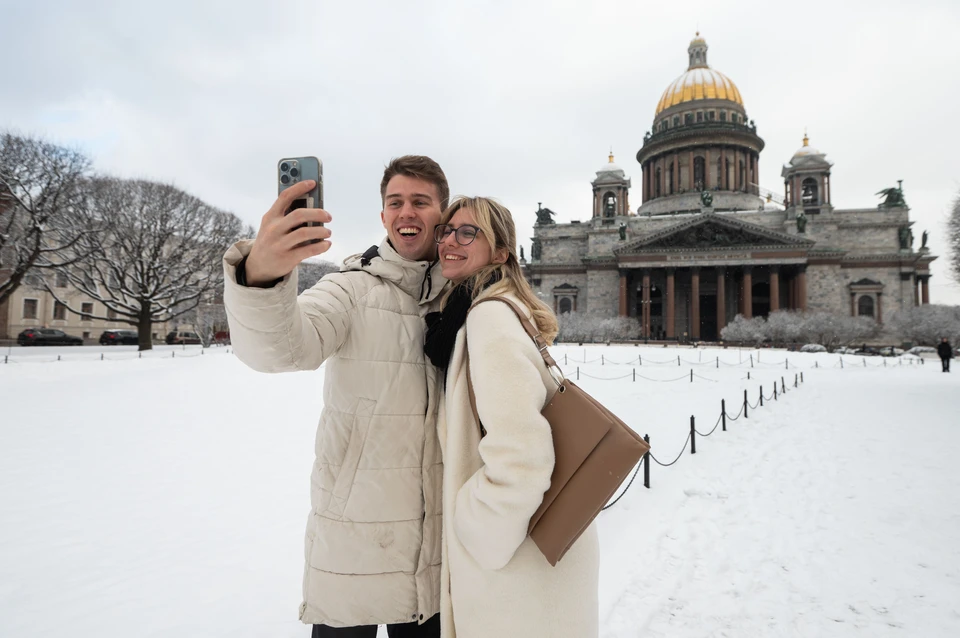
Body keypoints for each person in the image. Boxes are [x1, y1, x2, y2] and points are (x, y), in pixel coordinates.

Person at [222, 156, 450, 637]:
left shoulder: (465, 297)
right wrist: (261, 275)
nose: (406, 212)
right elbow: (280, 351)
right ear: (383, 216)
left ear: (443, 215)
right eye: (395, 202)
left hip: (438, 547)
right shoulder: (349, 289)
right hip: (354, 540)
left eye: (420, 201)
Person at [424, 196, 599, 638]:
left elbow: (522, 456)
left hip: (516, 573)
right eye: (446, 230)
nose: (450, 241)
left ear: (501, 252)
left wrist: (477, 528)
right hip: (536, 560)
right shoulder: (493, 309)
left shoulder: (488, 319)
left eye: (468, 232)